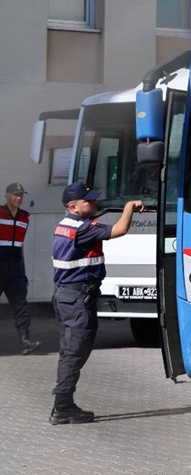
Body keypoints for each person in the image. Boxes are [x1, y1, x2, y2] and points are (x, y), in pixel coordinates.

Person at [49, 182, 144, 425]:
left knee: (71, 350)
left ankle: (64, 404)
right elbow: (119, 230)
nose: (94, 202)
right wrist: (129, 207)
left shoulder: (64, 225)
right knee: (74, 351)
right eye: (87, 200)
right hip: (77, 297)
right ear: (73, 206)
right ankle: (62, 407)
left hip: (67, 295)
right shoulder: (83, 228)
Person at [0, 183, 39, 355]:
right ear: (6, 196)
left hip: (15, 268)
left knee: (21, 305)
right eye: (15, 195)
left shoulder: (24, 217)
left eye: (21, 195)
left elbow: (20, 245)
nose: (19, 198)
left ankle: (25, 341)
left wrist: (22, 271)